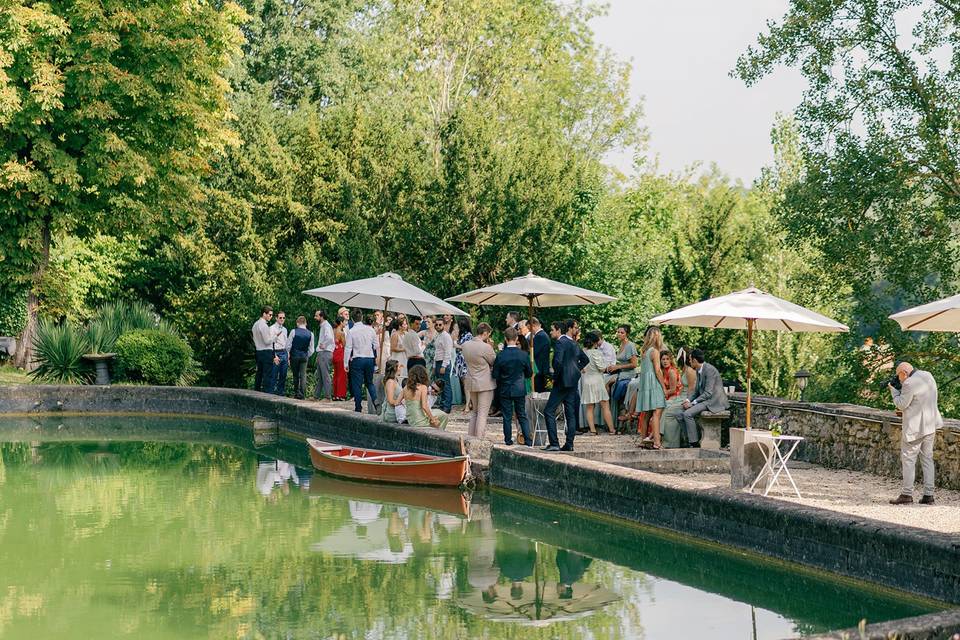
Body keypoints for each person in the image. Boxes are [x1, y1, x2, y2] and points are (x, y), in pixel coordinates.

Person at [889, 362, 943, 505]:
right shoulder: (928, 375)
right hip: (930, 425)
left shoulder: (909, 383)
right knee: (927, 460)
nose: (899, 379)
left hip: (915, 428)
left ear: (904, 373)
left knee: (908, 460)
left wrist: (893, 391)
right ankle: (929, 495)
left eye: (899, 376)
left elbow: (901, 404)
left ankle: (906, 494)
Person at [543, 319, 588, 452]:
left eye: (552, 329)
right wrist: (575, 369)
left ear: (559, 330)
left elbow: (557, 362)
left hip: (562, 382)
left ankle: (554, 443)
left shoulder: (560, 343)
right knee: (570, 413)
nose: (550, 332)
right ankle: (569, 444)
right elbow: (585, 359)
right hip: (573, 382)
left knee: (548, 411)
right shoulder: (573, 343)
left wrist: (555, 377)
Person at [492, 327, 532, 445]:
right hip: (519, 388)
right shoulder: (523, 355)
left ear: (505, 338)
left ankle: (508, 440)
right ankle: (528, 440)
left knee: (507, 416)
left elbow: (495, 374)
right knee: (522, 415)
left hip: (505, 388)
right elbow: (529, 373)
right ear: (516, 338)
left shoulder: (501, 355)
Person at [681, 349, 729, 448]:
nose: (689, 362)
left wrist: (693, 403)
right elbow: (697, 391)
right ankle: (690, 439)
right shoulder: (699, 370)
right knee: (679, 414)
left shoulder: (709, 370)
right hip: (705, 400)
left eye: (690, 360)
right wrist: (688, 400)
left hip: (714, 401)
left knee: (687, 414)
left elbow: (708, 393)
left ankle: (694, 444)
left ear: (694, 360)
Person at [462, 323, 497, 438]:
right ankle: (479, 439)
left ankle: (471, 438)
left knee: (475, 413)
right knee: (482, 414)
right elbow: (493, 361)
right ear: (485, 333)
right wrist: (491, 347)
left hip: (471, 380)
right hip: (485, 383)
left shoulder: (465, 345)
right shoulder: (486, 347)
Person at [633, 326, 666, 449]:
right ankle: (657, 442)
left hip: (645, 383)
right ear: (657, 336)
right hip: (653, 383)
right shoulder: (655, 351)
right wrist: (663, 387)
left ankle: (643, 440)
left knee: (646, 414)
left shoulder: (644, 351)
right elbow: (657, 371)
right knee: (657, 412)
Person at [580, 332, 616, 435]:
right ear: (595, 342)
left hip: (587, 381)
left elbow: (581, 368)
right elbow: (602, 368)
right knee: (605, 405)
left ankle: (592, 430)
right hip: (597, 380)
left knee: (589, 407)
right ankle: (612, 429)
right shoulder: (596, 353)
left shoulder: (583, 352)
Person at [344, 309, 378, 412]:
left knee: (357, 384)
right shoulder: (370, 330)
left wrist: (345, 363)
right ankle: (376, 401)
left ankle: (358, 407)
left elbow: (348, 348)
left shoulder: (351, 331)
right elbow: (376, 345)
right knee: (369, 383)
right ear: (362, 317)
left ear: (352, 320)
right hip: (369, 358)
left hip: (357, 359)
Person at [403, 364, 448, 429]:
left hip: (412, 418)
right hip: (419, 419)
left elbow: (397, 402)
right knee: (442, 418)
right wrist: (433, 419)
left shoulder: (406, 387)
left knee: (441, 416)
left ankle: (438, 432)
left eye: (435, 391)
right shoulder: (424, 388)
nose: (433, 390)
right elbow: (424, 406)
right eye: (432, 388)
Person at [658, 350, 687, 448]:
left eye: (667, 359)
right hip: (668, 397)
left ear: (671, 360)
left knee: (662, 408)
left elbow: (673, 390)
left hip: (675, 396)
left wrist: (663, 394)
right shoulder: (662, 371)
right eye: (663, 359)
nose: (665, 361)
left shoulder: (671, 371)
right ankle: (655, 436)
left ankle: (657, 435)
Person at [287, 316, 315, 400]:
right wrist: (307, 355)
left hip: (294, 356)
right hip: (304, 356)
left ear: (297, 323)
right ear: (305, 323)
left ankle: (297, 393)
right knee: (303, 375)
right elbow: (312, 349)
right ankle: (302, 394)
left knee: (295, 375)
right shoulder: (311, 333)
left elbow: (288, 345)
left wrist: (289, 354)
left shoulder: (293, 331)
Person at [432, 317, 455, 413]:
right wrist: (434, 366)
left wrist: (444, 366)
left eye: (440, 324)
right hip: (438, 362)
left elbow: (448, 352)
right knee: (440, 385)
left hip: (443, 363)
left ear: (444, 325)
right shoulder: (438, 335)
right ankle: (442, 405)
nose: (438, 326)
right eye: (436, 324)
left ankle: (447, 407)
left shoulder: (446, 336)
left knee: (446, 385)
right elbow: (436, 352)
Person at [252, 306, 275, 393]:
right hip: (266, 352)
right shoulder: (264, 325)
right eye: (269, 314)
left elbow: (255, 340)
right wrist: (275, 337)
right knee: (267, 375)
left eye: (272, 315)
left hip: (258, 352)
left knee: (259, 374)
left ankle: (256, 393)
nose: (271, 316)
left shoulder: (255, 325)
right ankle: (266, 396)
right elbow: (267, 341)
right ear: (264, 314)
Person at [313, 310, 335, 400]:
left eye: (316, 316)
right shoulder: (324, 326)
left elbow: (329, 337)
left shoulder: (326, 326)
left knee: (325, 375)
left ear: (321, 317)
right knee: (321, 376)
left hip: (325, 353)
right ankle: (316, 396)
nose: (315, 317)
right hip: (323, 353)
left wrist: (324, 344)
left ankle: (328, 397)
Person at [453, 317, 473, 408]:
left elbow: (466, 347)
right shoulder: (461, 335)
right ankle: (470, 403)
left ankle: (467, 404)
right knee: (464, 383)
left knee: (466, 383)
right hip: (460, 362)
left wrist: (456, 345)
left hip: (464, 362)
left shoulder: (468, 335)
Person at [380, 359, 406, 424]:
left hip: (397, 411)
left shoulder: (395, 380)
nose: (401, 368)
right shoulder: (390, 382)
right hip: (392, 413)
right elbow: (391, 401)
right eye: (399, 366)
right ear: (395, 368)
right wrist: (403, 402)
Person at [270, 311, 289, 396]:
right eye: (280, 317)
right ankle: (270, 396)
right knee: (273, 376)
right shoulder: (272, 328)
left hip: (284, 353)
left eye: (283, 318)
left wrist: (288, 356)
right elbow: (270, 343)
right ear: (276, 318)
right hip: (276, 353)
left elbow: (286, 343)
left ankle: (280, 395)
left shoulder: (285, 329)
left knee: (283, 376)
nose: (282, 319)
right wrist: (274, 356)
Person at [530, 317, 551, 392]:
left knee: (538, 393)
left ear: (534, 325)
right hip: (542, 369)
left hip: (539, 370)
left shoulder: (540, 336)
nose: (530, 330)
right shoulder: (543, 335)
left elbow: (534, 353)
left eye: (529, 328)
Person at [331, 317, 348, 401]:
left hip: (334, 353)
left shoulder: (333, 331)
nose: (345, 323)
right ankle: (340, 395)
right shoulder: (341, 333)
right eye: (345, 321)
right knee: (342, 375)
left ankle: (335, 394)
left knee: (336, 374)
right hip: (341, 354)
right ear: (341, 322)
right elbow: (345, 344)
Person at [389, 315, 409, 380]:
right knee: (398, 373)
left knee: (404, 373)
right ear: (400, 326)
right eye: (404, 324)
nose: (406, 326)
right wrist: (403, 349)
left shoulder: (406, 334)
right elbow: (393, 348)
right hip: (397, 357)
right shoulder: (395, 335)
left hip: (405, 357)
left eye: (406, 324)